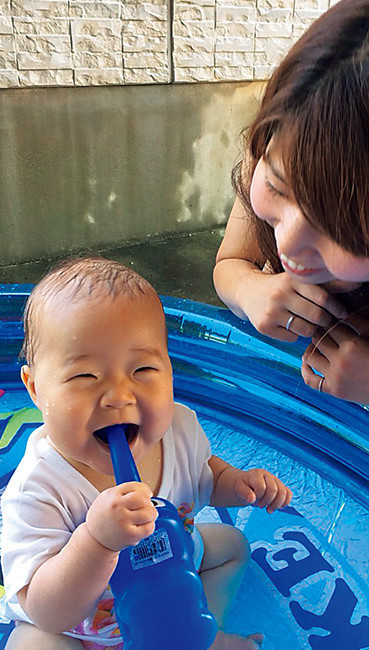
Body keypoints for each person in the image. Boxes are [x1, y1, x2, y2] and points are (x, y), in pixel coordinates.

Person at [0, 256, 292, 650]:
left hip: (170, 579)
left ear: (169, 369)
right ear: (35, 389)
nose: (120, 396)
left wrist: (237, 484)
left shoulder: (178, 430)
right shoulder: (39, 489)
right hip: (80, 627)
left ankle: (200, 634)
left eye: (142, 371)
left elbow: (205, 474)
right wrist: (97, 541)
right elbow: (47, 609)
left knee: (231, 547)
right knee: (33, 645)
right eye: (85, 376)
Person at [213, 0, 369, 404]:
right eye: (279, 190)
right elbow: (229, 264)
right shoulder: (272, 149)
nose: (287, 247)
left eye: (339, 228)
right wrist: (250, 290)